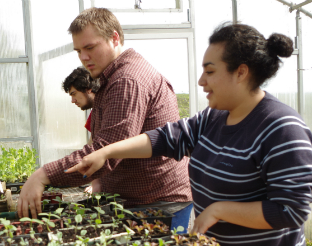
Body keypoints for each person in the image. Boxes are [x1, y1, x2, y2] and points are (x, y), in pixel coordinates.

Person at [66, 23, 312, 246]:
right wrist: (107, 151)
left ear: (241, 72)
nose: (201, 81)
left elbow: (291, 210)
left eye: (210, 71)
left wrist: (219, 211)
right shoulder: (214, 117)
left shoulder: (281, 128)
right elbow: (166, 138)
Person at [17, 7, 193, 229]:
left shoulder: (127, 80)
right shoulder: (112, 77)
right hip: (144, 200)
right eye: (78, 50)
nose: (83, 57)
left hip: (157, 203)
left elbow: (106, 150)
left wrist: (43, 175)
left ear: (114, 38)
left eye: (90, 47)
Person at [61, 66, 101, 192]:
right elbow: (92, 145)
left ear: (88, 89)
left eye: (74, 94)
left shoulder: (110, 109)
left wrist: (97, 184)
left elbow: (103, 149)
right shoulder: (95, 113)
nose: (73, 101)